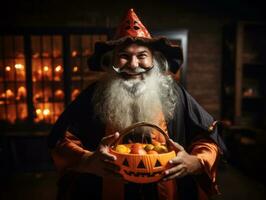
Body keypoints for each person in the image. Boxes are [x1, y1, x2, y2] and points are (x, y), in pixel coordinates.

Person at [48, 8, 227, 200]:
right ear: (111, 62)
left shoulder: (175, 94)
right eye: (124, 56)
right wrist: (87, 160)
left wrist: (195, 162)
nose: (133, 64)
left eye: (142, 56)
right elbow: (61, 141)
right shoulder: (93, 96)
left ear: (154, 61)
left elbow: (207, 138)